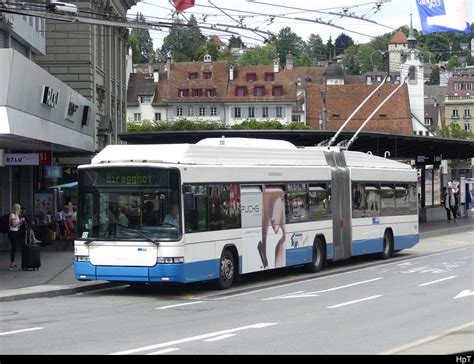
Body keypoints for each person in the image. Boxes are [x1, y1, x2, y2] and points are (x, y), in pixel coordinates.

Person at [7, 203, 25, 270]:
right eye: (19, 208)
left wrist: (20, 223)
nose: (20, 210)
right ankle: (12, 264)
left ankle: (13, 263)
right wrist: (20, 221)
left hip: (15, 232)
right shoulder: (12, 215)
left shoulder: (16, 215)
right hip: (12, 233)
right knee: (13, 248)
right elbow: (14, 224)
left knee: (14, 248)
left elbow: (16, 225)